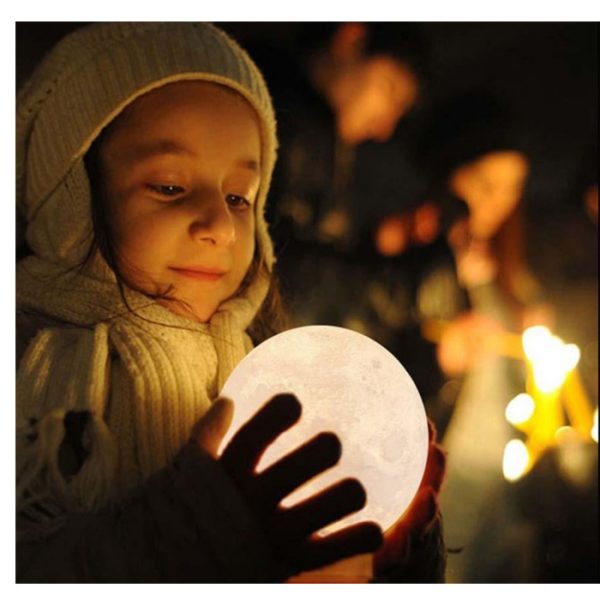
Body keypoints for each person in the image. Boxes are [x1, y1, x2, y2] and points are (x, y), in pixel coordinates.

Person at [16, 22, 445, 583]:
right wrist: (191, 530)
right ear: (70, 196)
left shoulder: (269, 375)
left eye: (240, 196)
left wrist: (397, 550)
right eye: (169, 186)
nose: (220, 224)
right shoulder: (27, 372)